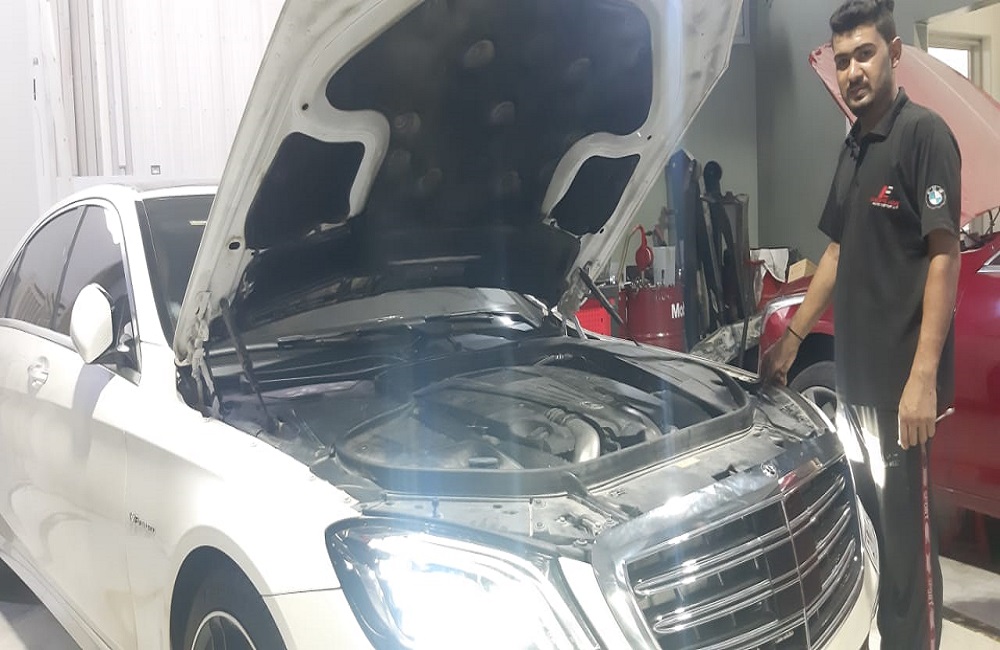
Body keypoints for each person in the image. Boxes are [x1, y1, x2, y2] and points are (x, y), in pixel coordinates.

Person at [761, 1, 961, 648]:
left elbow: (944, 254)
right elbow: (836, 253)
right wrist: (791, 340)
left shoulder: (924, 137)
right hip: (855, 386)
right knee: (871, 532)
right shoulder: (853, 146)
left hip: (903, 393)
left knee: (908, 549)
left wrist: (923, 378)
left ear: (894, 53)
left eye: (865, 54)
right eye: (843, 60)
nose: (853, 71)